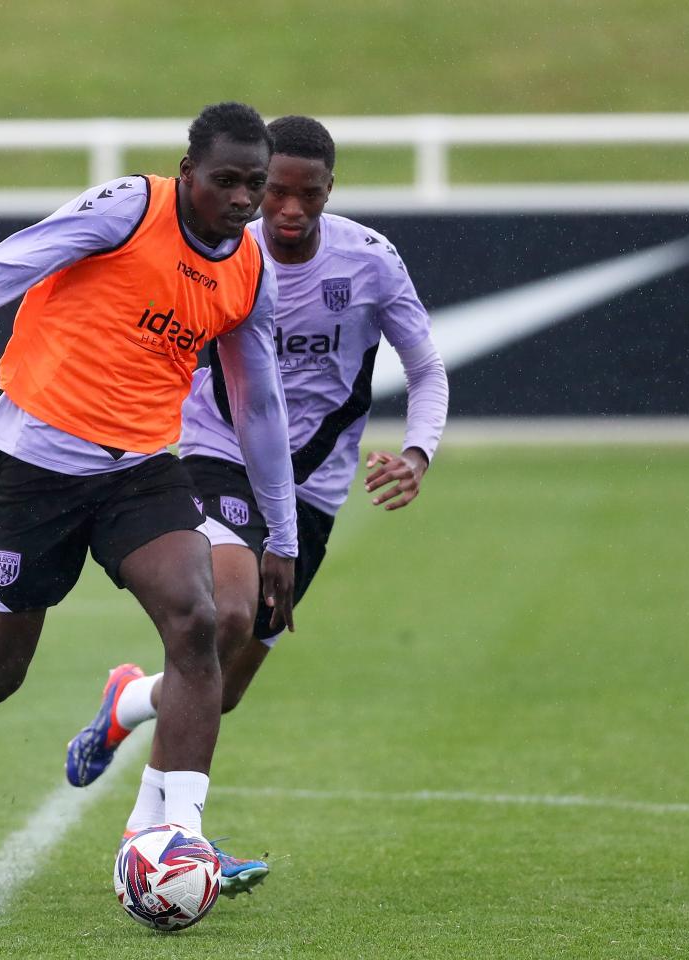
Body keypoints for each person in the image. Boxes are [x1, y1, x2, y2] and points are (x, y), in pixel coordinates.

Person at [0, 103, 298, 856]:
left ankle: (175, 833)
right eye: (227, 182)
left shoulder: (248, 270)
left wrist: (281, 532)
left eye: (255, 183)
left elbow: (261, 404)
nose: (244, 200)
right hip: (32, 465)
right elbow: (13, 262)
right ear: (187, 174)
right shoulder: (127, 208)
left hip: (141, 470)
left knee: (199, 623)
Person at [63, 115, 449, 896]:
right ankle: (169, 839)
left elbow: (427, 366)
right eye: (276, 191)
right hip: (215, 455)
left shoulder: (370, 262)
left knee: (223, 685)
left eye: (309, 195)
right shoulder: (226, 254)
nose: (290, 210)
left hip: (315, 490)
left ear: (329, 191)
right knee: (227, 614)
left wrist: (416, 453)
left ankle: (130, 704)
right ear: (258, 184)